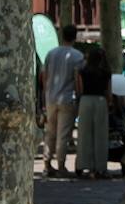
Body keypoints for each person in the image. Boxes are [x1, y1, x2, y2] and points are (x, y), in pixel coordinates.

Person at [41, 24, 85, 178]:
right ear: (75, 37)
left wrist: (45, 94)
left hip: (51, 97)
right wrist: (79, 96)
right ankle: (60, 165)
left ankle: (46, 164)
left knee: (50, 132)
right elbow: (77, 79)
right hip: (67, 98)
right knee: (63, 134)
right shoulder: (77, 56)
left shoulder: (50, 54)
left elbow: (44, 76)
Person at [74, 48, 113, 178]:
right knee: (100, 136)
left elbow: (79, 89)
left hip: (85, 100)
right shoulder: (106, 72)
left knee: (84, 134)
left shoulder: (82, 71)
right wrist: (110, 103)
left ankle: (83, 164)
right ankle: (100, 166)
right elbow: (108, 91)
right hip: (100, 101)